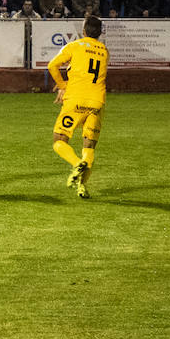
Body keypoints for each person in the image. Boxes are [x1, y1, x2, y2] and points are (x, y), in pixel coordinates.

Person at [47, 13, 109, 199]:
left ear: (83, 31)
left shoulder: (74, 46)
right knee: (88, 147)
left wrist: (63, 87)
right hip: (97, 102)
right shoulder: (104, 51)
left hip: (75, 99)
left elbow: (52, 66)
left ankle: (76, 163)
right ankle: (82, 187)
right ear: (99, 33)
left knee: (59, 139)